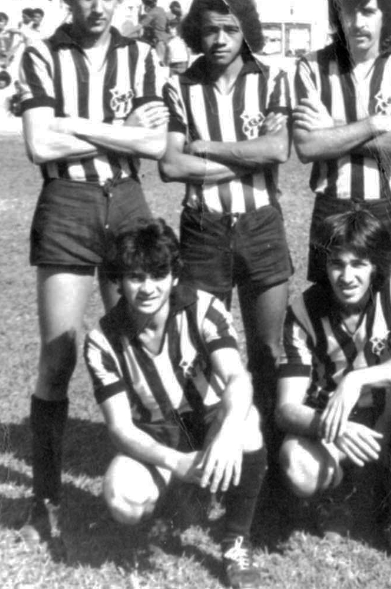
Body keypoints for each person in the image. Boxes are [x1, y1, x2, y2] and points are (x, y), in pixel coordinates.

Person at [16, 0, 169, 557]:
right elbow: (37, 147)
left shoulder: (142, 56)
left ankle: (141, 483)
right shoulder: (41, 54)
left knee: (138, 346)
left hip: (127, 200)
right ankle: (45, 500)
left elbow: (155, 144)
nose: (98, 7)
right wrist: (115, 129)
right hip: (68, 206)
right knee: (59, 356)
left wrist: (72, 124)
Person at [84, 220, 267, 589]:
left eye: (159, 274)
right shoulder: (102, 340)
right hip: (160, 435)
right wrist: (175, 462)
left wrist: (229, 431)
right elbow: (120, 428)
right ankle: (178, 498)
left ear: (173, 274)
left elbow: (237, 378)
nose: (149, 287)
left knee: (246, 422)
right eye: (136, 277)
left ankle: (235, 540)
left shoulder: (203, 309)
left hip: (210, 423)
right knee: (123, 499)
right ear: (118, 280)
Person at [159, 0, 294, 460]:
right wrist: (245, 155)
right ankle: (207, 453)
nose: (220, 39)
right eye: (211, 29)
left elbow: (277, 150)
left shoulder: (273, 78)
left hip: (259, 223)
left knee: (267, 347)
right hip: (203, 227)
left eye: (231, 29)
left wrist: (209, 147)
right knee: (201, 346)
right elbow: (172, 166)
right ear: (197, 31)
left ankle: (269, 461)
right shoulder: (179, 85)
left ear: (246, 31)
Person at [275, 211, 391, 566]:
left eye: (359, 264)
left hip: (387, 417)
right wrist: (329, 425)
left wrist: (358, 378)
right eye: (337, 264)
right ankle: (339, 497)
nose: (347, 277)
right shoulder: (303, 309)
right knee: (297, 464)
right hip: (334, 424)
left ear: (375, 265)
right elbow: (286, 408)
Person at [292, 0, 391, 282]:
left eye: (368, 12)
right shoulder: (312, 66)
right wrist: (374, 123)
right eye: (347, 12)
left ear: (386, 14)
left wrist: (333, 132)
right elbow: (306, 146)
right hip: (334, 206)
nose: (357, 23)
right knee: (332, 314)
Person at [137, 0, 171, 64]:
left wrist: (138, 14)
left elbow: (140, 25)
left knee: (164, 63)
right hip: (166, 37)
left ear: (146, 5)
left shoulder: (152, 13)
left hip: (159, 40)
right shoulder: (160, 9)